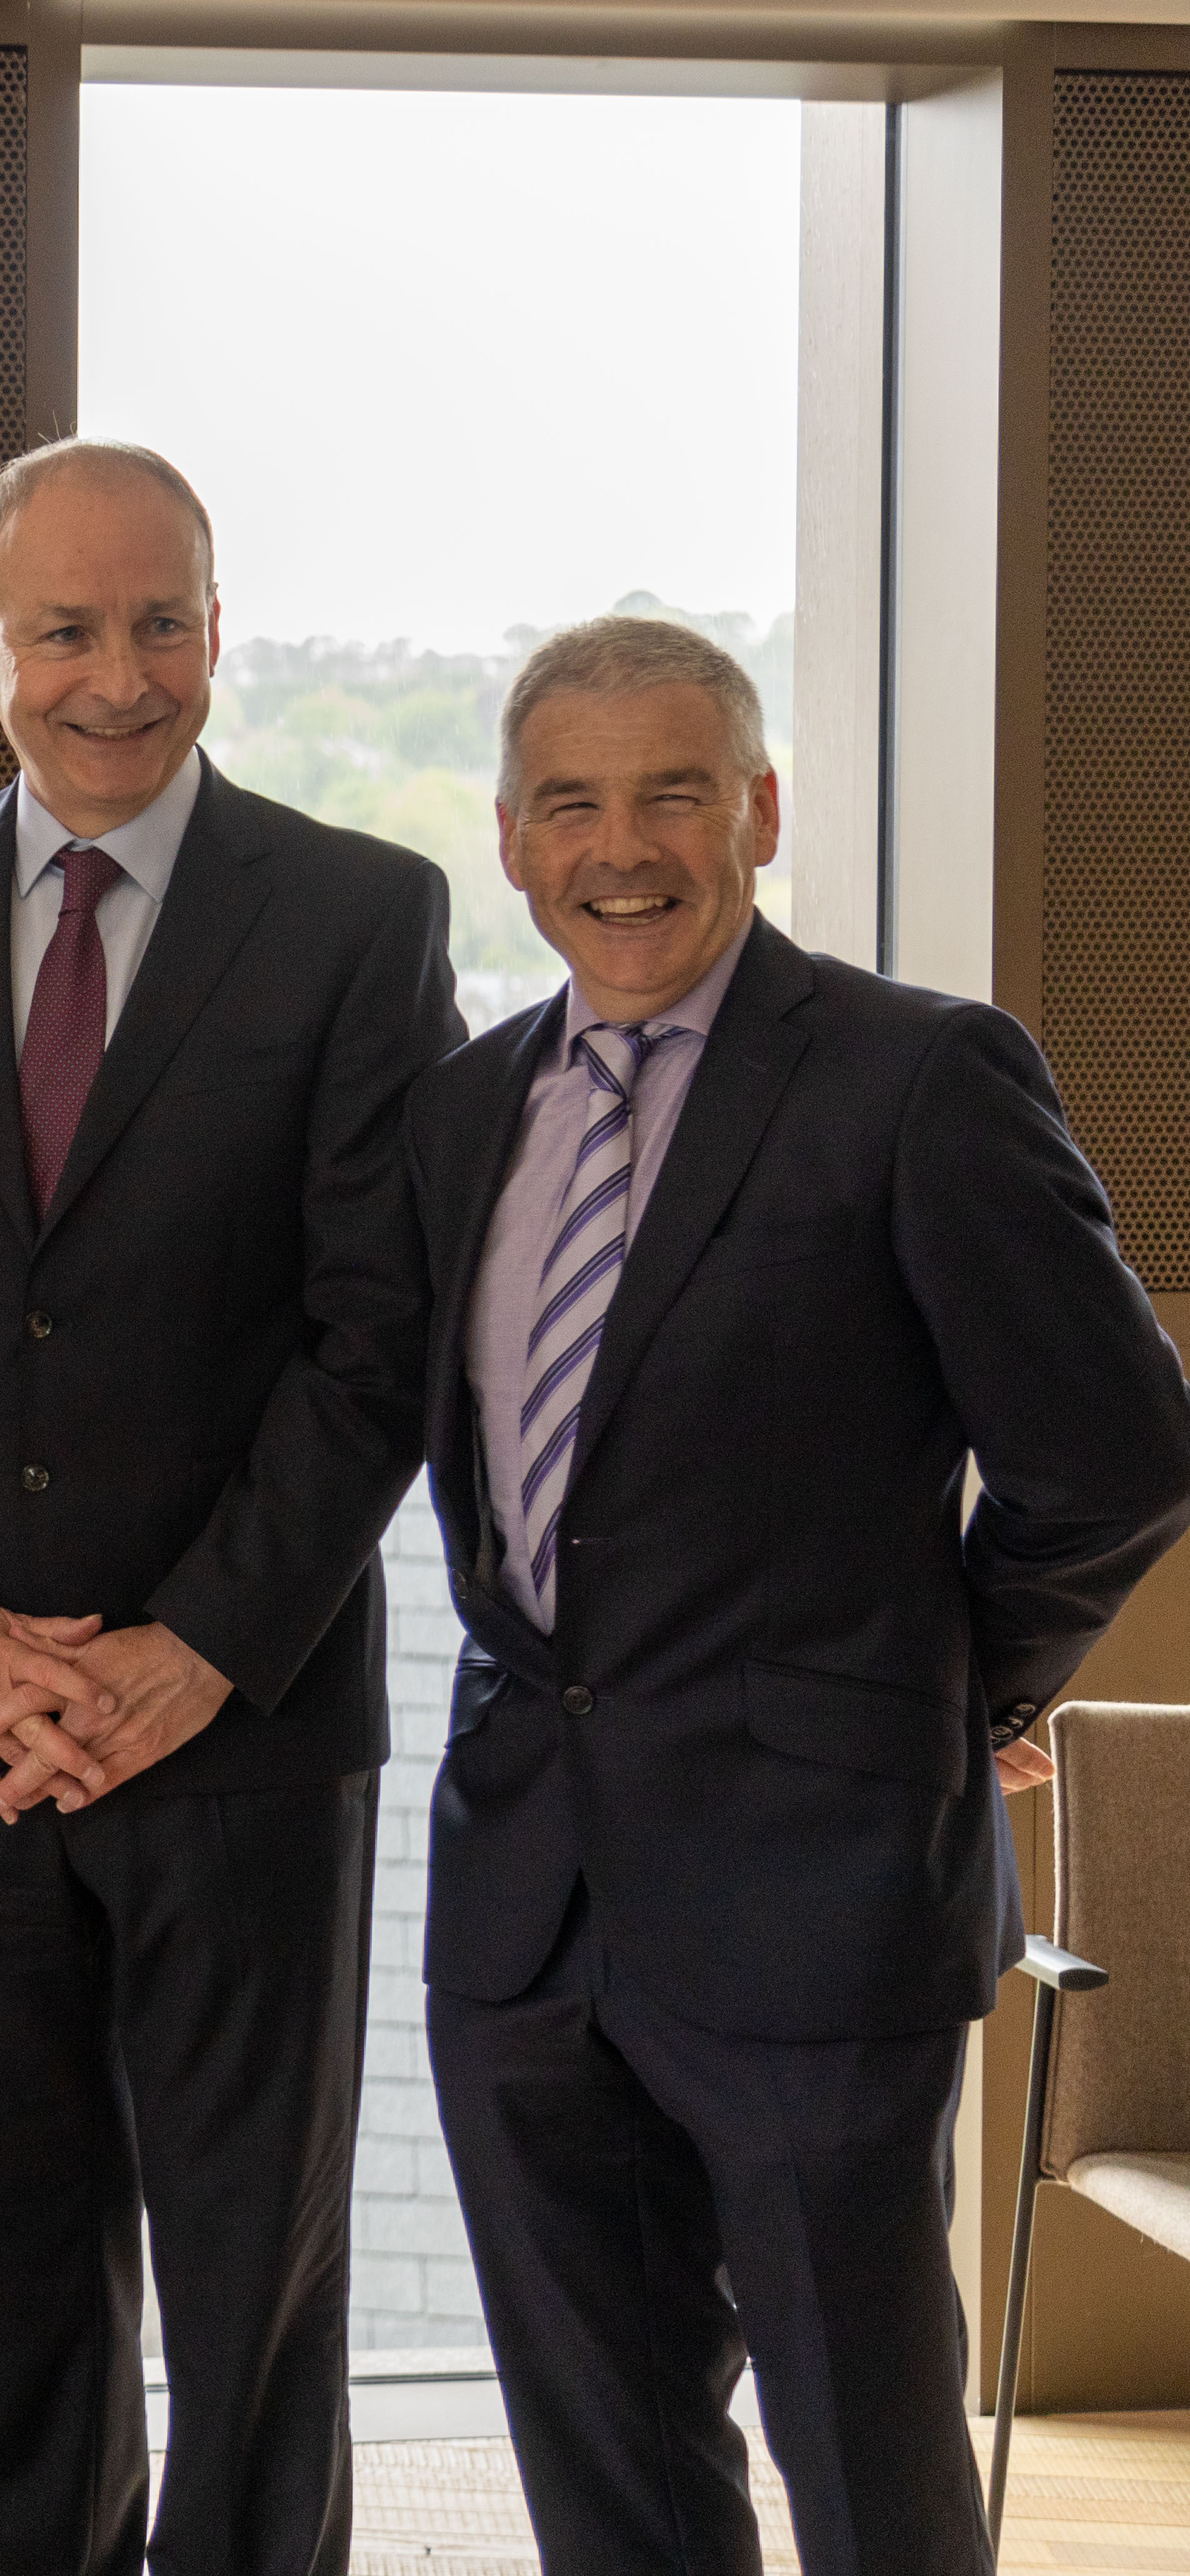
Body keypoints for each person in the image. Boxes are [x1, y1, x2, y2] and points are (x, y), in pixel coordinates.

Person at [403, 616, 1190, 2576]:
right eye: (572, 802)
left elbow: (1121, 1455)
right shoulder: (458, 1116)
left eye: (676, 789)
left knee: (871, 2483)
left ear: (757, 808)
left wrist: (946, 1692)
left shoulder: (920, 1079)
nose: (626, 844)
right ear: (510, 840)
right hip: (525, 1911)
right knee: (613, 2484)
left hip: (823, 1905)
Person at [0, 438, 463, 2573]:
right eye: (67, 628)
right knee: (27, 2270)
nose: (116, 674)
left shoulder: (360, 914)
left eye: (161, 622)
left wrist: (194, 1651)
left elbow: (379, 1342)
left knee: (259, 2295)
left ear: (220, 638)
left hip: (240, 1731)